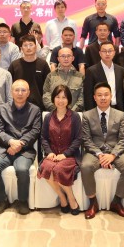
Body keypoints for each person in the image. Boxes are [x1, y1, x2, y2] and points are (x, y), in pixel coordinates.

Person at [81, 82, 124, 219]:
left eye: (106, 95)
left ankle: (117, 202)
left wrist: (112, 155)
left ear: (111, 96)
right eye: (99, 95)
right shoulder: (87, 115)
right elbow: (86, 139)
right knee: (85, 166)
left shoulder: (120, 115)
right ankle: (93, 202)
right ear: (94, 97)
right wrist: (100, 154)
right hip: (95, 151)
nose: (103, 98)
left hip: (115, 151)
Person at [0, 80, 42, 216]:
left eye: (23, 90)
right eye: (17, 90)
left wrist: (20, 144)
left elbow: (35, 131)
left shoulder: (35, 110)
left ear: (28, 93)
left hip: (25, 150)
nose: (20, 93)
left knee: (22, 169)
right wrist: (11, 141)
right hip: (4, 148)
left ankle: (22, 201)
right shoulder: (3, 109)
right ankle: (1, 200)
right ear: (11, 92)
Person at [38, 84, 82, 215]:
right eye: (58, 97)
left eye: (64, 97)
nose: (60, 100)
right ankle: (62, 197)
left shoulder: (74, 117)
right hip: (52, 154)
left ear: (68, 100)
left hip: (70, 156)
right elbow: (43, 138)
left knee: (58, 169)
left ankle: (71, 198)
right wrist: (49, 152)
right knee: (45, 167)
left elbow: (78, 139)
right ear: (53, 99)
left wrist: (65, 154)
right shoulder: (48, 117)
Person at [8, 34, 50, 111]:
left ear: (36, 47)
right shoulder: (14, 65)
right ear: (21, 48)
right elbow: (9, 87)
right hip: (18, 107)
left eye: (31, 45)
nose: (28, 48)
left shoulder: (43, 64)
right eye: (25, 45)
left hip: (39, 107)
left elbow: (48, 87)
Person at [84, 41, 124, 111]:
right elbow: (88, 95)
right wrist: (91, 112)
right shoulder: (91, 71)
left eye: (110, 51)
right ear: (100, 53)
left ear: (114, 53)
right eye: (104, 51)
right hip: (99, 109)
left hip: (118, 109)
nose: (107, 53)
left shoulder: (120, 70)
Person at [42, 47, 84, 112]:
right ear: (58, 59)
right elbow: (46, 96)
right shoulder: (50, 76)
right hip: (54, 114)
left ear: (73, 58)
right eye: (63, 56)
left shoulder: (80, 77)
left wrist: (71, 113)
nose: (66, 59)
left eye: (68, 56)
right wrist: (56, 111)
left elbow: (82, 98)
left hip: (74, 115)